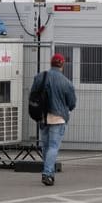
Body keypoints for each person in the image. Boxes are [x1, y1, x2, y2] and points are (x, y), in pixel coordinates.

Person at [31, 53, 76, 186]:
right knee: (53, 146)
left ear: (51, 63)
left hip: (42, 116)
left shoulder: (41, 76)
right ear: (62, 65)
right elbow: (72, 103)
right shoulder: (66, 82)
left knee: (45, 146)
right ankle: (47, 173)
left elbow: (33, 94)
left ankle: (49, 172)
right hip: (58, 117)